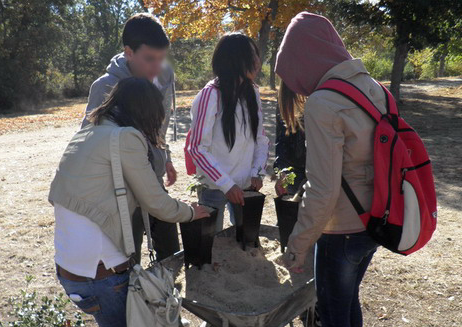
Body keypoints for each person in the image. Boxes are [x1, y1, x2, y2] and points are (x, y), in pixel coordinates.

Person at [49, 77, 209, 327]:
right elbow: (157, 202)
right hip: (102, 272)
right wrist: (191, 212)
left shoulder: (88, 133)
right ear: (145, 112)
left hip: (70, 267)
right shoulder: (126, 138)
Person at [275, 12, 382, 327]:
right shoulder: (371, 87)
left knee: (333, 315)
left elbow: (322, 189)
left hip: (341, 228)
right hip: (376, 221)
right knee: (349, 301)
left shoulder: (324, 102)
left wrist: (298, 245)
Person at [82, 13, 180, 262]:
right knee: (129, 260)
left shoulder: (164, 77)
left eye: (162, 58)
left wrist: (164, 156)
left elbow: (160, 126)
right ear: (128, 52)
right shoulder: (104, 87)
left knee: (171, 251)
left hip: (152, 176)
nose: (157, 67)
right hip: (120, 190)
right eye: (149, 59)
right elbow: (87, 143)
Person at [186, 32, 270, 231]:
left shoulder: (252, 92)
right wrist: (227, 184)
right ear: (234, 60)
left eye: (256, 54)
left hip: (245, 187)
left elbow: (261, 139)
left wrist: (257, 172)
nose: (258, 61)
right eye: (252, 55)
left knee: (244, 239)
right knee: (210, 242)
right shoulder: (210, 95)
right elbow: (197, 148)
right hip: (214, 188)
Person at [273, 105, 306, 196]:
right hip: (293, 173)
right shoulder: (287, 95)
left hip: (320, 174)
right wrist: (282, 171)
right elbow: (281, 140)